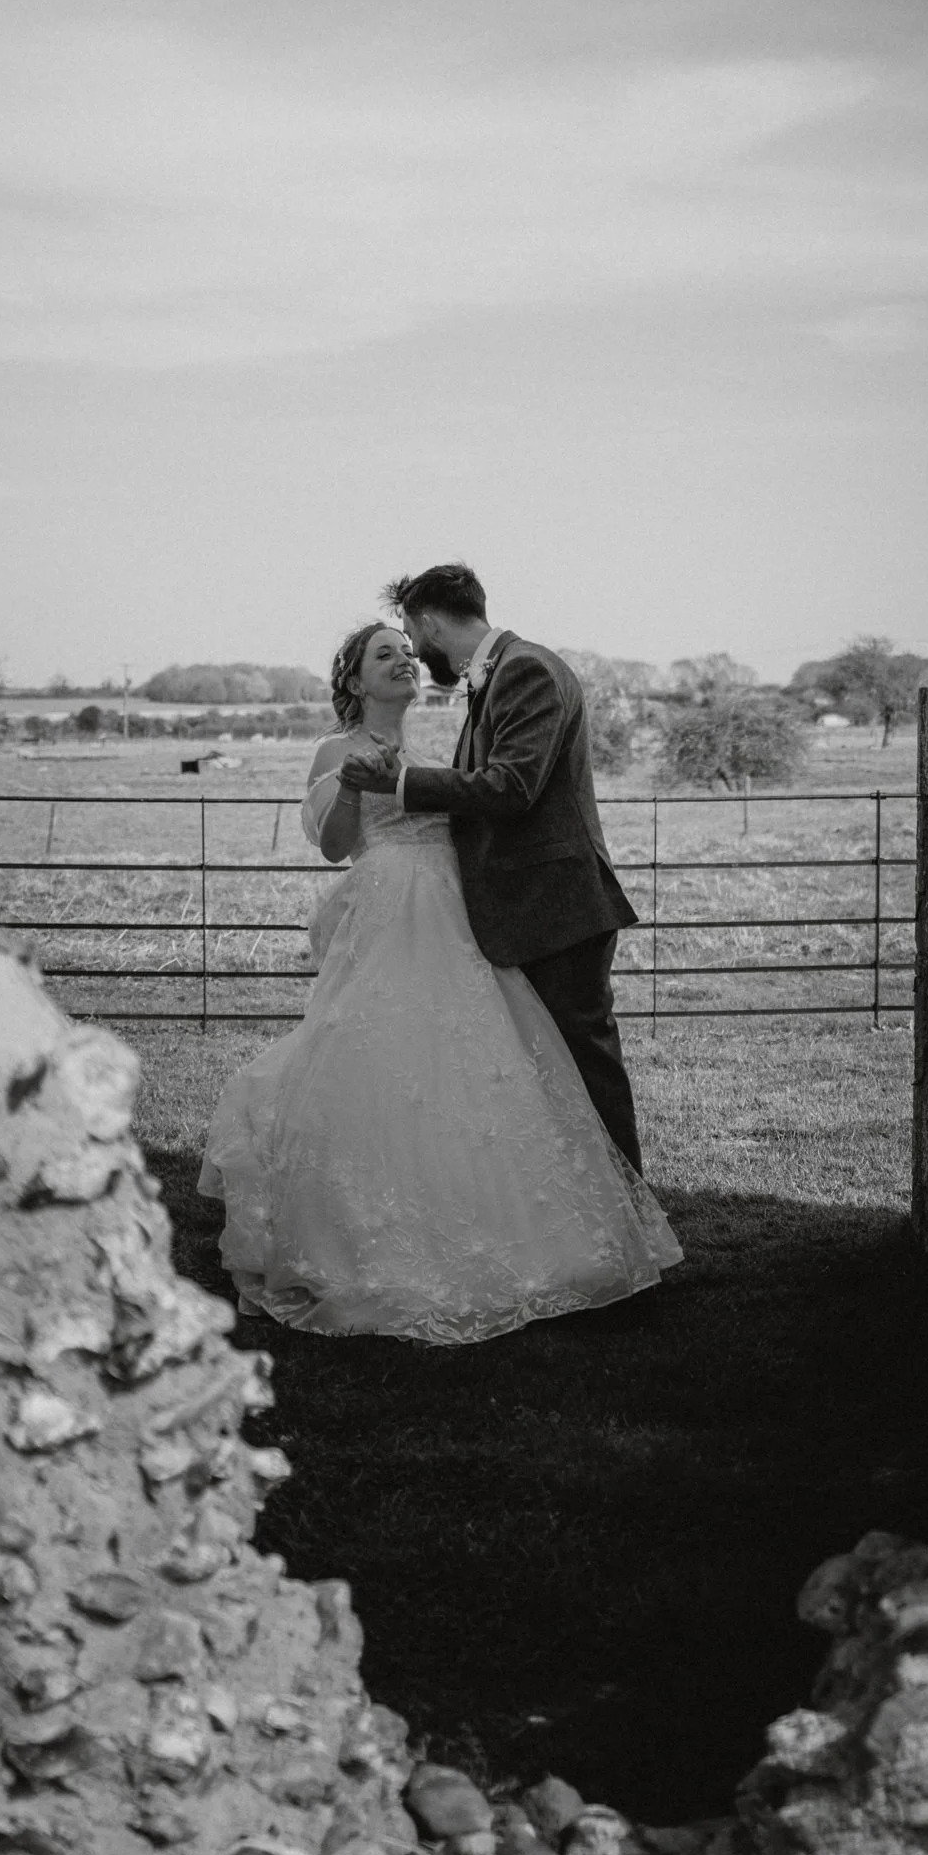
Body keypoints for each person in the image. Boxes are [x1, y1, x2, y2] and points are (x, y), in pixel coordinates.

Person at [197, 616, 680, 1344]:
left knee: (485, 1055)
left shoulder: (451, 740)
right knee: (379, 1045)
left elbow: (483, 803)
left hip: (459, 904)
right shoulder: (335, 748)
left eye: (404, 652)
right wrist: (359, 787)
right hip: (388, 902)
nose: (403, 662)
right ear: (355, 679)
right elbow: (334, 847)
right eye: (383, 655)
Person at [343, 563, 643, 1172]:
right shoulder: (501, 673)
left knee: (584, 1068)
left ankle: (630, 1215)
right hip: (534, 908)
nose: (415, 652)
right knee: (555, 1071)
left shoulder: (524, 669)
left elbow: (512, 786)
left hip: (556, 907)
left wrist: (400, 785)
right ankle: (593, 1209)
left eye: (410, 632)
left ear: (427, 622)